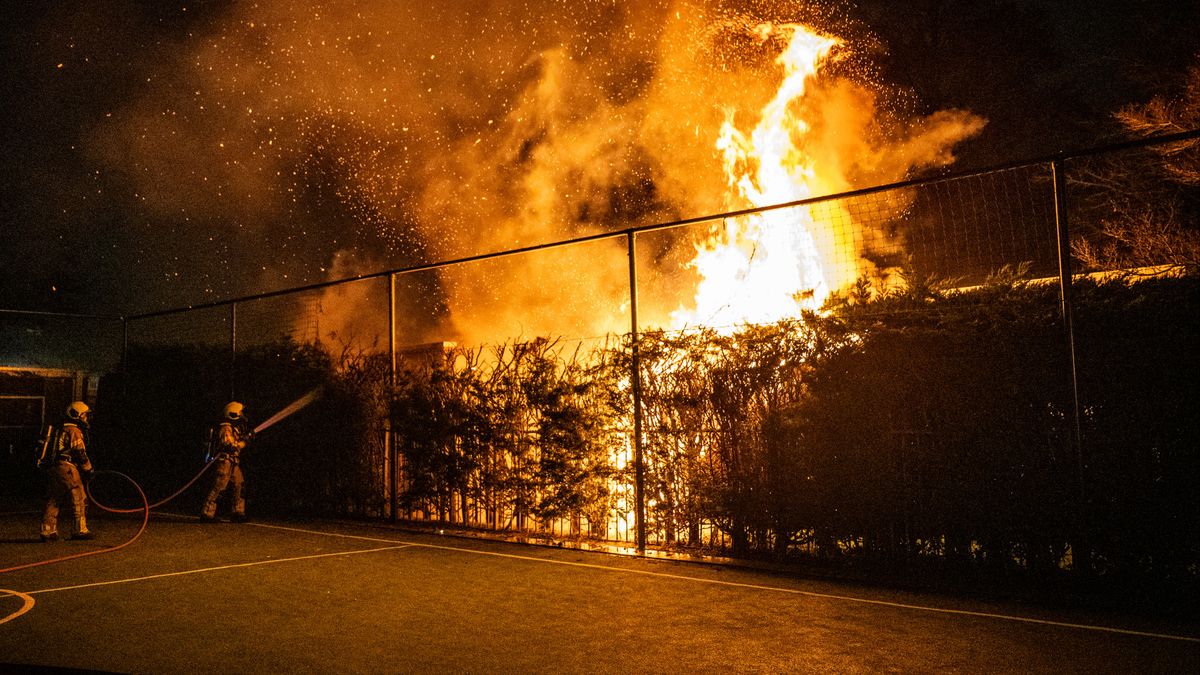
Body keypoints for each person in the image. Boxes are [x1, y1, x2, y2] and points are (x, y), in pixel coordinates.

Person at [39, 401, 95, 542]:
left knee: (54, 498)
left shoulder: (59, 429)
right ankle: (80, 529)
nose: (86, 419)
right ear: (77, 415)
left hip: (54, 467)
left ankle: (48, 530)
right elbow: (80, 452)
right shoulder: (74, 430)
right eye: (85, 416)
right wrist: (88, 469)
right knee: (79, 497)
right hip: (68, 467)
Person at [200, 401, 252, 523]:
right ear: (233, 413)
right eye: (241, 412)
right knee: (219, 486)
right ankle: (207, 513)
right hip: (225, 462)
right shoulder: (225, 427)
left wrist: (246, 438)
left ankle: (237, 512)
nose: (243, 415)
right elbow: (229, 445)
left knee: (239, 485)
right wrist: (244, 442)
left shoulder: (234, 428)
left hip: (233, 462)